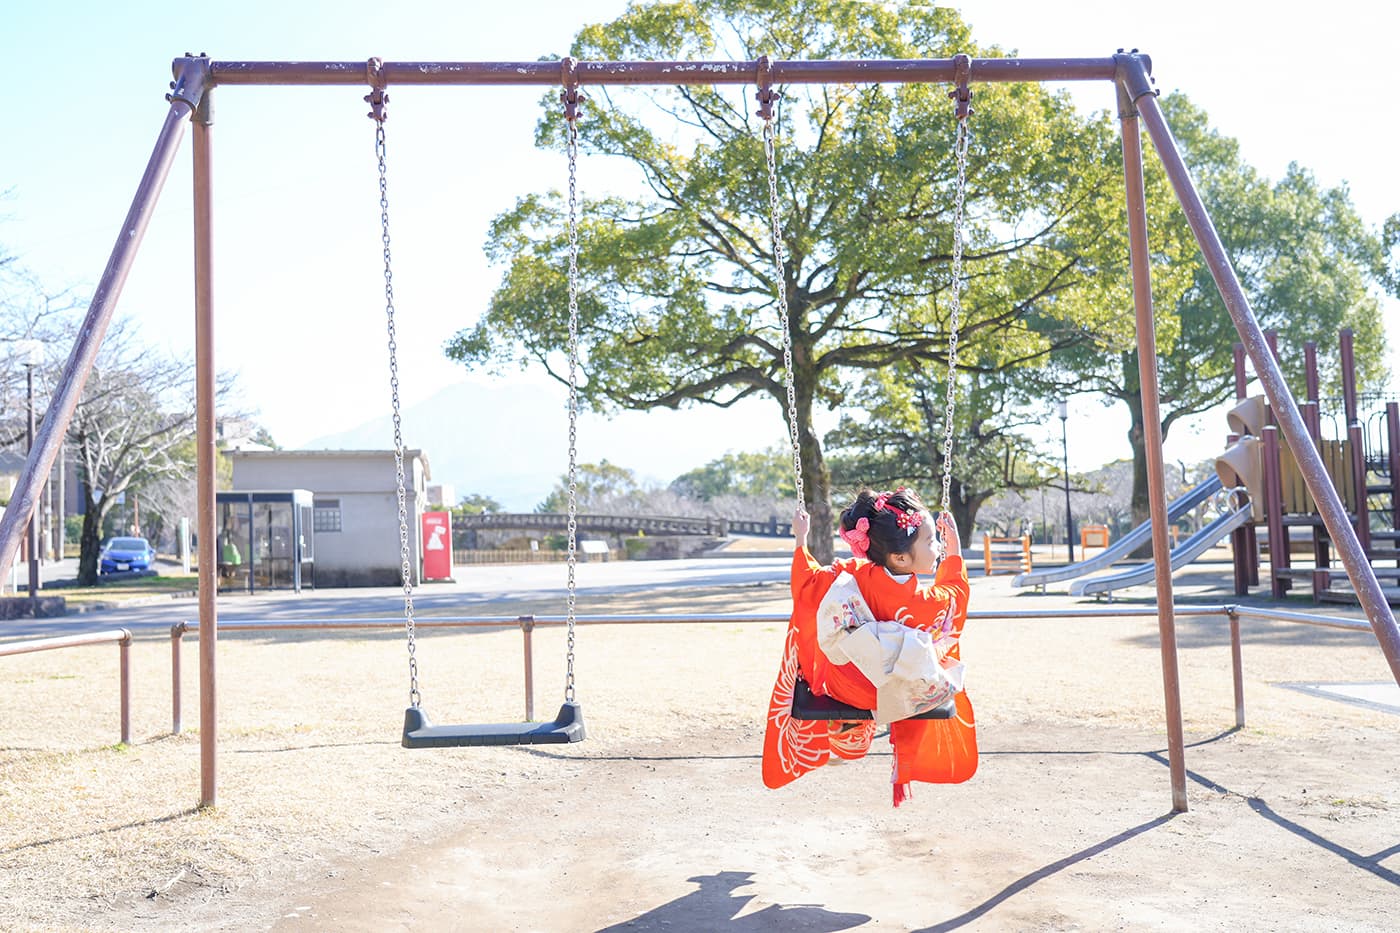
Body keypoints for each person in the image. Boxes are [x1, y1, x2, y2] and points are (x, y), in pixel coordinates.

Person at [761, 486, 977, 806]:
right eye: (931, 542)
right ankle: (856, 731)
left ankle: (848, 731)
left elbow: (807, 585)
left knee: (838, 650)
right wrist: (955, 551)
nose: (938, 549)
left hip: (846, 687)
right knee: (922, 673)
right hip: (894, 690)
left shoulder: (848, 575)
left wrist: (800, 539)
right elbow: (955, 599)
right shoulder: (927, 603)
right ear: (900, 557)